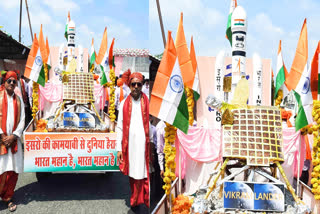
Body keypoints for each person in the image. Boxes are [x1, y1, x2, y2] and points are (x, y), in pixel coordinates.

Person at [116, 69, 152, 212]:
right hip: (130, 146)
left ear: (142, 85)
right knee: (133, 175)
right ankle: (135, 200)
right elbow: (119, 126)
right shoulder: (124, 103)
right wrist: (118, 148)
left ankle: (144, 201)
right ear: (129, 86)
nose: (136, 87)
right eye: (133, 84)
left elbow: (152, 123)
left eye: (139, 84)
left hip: (145, 146)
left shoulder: (148, 101)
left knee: (144, 174)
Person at [0, 71, 25, 212]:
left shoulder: (19, 100)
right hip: (0, 140)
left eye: (14, 81)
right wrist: (2, 136)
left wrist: (14, 135)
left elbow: (22, 120)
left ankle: (8, 197)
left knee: (13, 171)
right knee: (1, 169)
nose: (11, 83)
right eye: (9, 80)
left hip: (14, 141)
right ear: (4, 82)